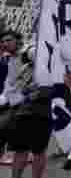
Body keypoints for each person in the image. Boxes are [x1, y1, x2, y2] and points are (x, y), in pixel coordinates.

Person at [1, 42, 53, 178]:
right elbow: (15, 88)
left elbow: (50, 90)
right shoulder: (24, 68)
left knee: (38, 152)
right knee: (21, 151)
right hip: (23, 113)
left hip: (42, 112)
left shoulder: (50, 69)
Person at [0, 30, 23, 165]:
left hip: (19, 103)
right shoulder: (8, 58)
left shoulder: (28, 55)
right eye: (3, 41)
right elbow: (9, 82)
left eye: (8, 40)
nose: (5, 44)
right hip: (7, 100)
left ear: (18, 41)